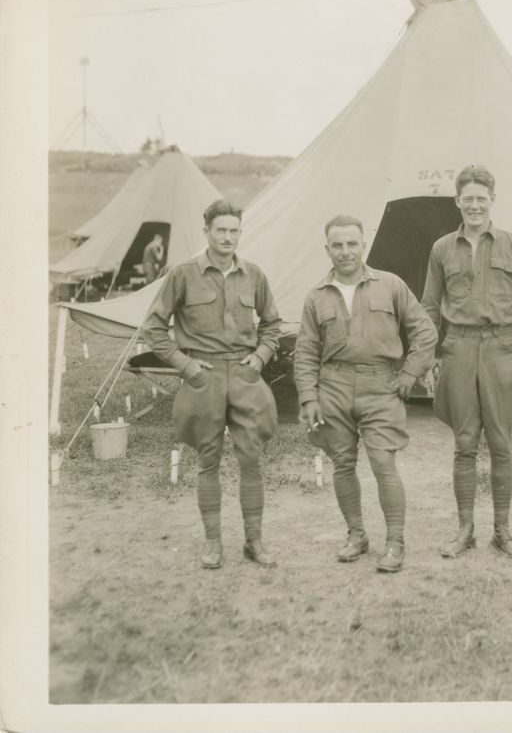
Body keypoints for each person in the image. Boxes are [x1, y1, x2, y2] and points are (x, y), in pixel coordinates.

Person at [293, 215, 437, 573]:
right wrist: (309, 398)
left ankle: (395, 542)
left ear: (363, 245)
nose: (345, 252)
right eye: (337, 245)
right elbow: (306, 351)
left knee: (383, 464)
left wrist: (408, 375)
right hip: (334, 387)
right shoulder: (316, 296)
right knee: (342, 464)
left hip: (381, 385)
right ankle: (356, 535)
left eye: (352, 244)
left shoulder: (390, 285)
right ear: (327, 249)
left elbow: (425, 333)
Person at [142, 200, 281, 570]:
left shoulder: (254, 274)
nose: (227, 238)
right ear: (206, 232)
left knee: (251, 460)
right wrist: (186, 366)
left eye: (234, 230)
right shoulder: (182, 274)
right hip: (203, 378)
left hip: (244, 374)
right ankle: (213, 544)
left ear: (240, 232)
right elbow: (154, 329)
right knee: (208, 461)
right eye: (220, 230)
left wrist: (260, 357)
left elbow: (272, 324)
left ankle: (254, 541)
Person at [421, 165, 512, 560]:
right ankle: (465, 530)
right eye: (467, 198)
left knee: (502, 443)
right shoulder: (441, 248)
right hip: (458, 348)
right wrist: (427, 357)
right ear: (457, 201)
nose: (474, 205)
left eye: (481, 198)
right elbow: (429, 307)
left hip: (502, 348)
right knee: (464, 442)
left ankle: (502, 530)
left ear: (493, 199)